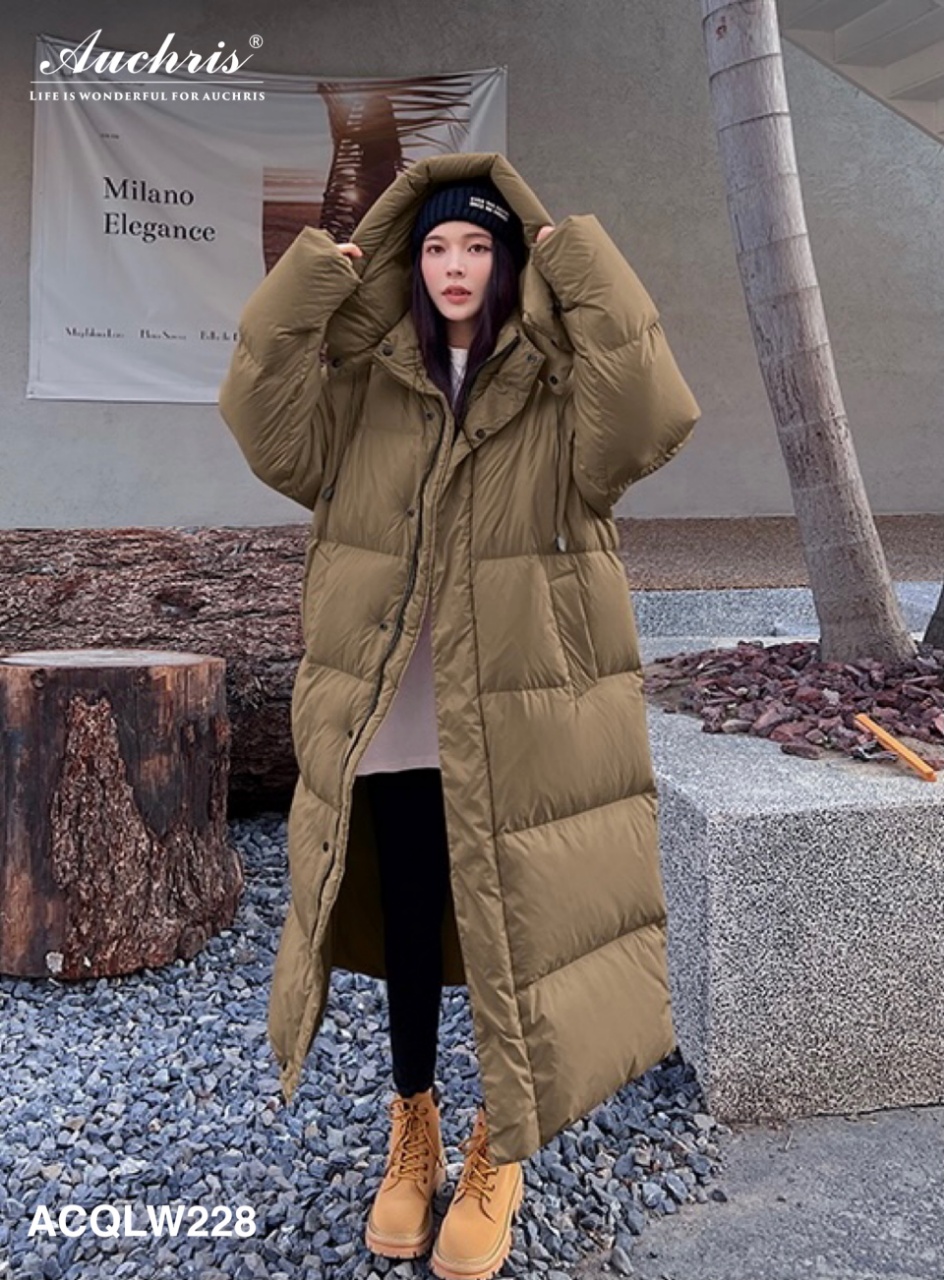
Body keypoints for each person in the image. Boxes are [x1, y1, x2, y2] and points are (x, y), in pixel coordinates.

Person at [219, 152, 700, 1280]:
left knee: (506, 926)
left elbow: (651, 417)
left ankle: (499, 1143)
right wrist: (310, 282)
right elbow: (260, 418)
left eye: (477, 244)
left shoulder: (560, 382)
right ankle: (414, 1125)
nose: (452, 265)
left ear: (509, 260)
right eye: (435, 244)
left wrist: (578, 256)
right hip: (391, 702)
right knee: (411, 915)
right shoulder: (364, 382)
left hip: (521, 707)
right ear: (409, 259)